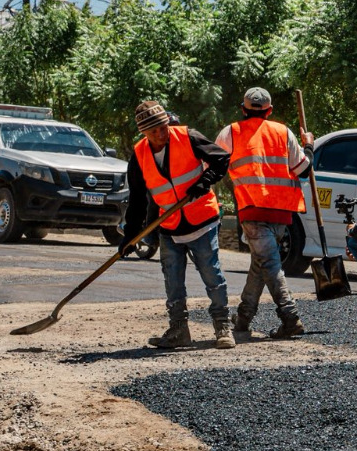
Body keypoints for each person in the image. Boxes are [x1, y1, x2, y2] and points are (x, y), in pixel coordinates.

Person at [122, 100, 233, 350]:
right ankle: (178, 330)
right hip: (170, 225)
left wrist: (203, 183)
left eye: (163, 127)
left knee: (212, 275)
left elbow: (221, 160)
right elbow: (138, 200)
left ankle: (222, 326)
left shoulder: (188, 136)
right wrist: (130, 236)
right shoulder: (139, 156)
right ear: (144, 133)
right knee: (173, 282)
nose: (162, 134)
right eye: (154, 131)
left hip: (201, 219)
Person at [215, 87, 314, 340]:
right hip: (281, 212)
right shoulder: (283, 132)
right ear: (269, 111)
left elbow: (213, 166)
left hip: (252, 207)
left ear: (243, 109)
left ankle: (290, 317)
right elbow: (303, 170)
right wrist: (309, 146)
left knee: (268, 263)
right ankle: (243, 318)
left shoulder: (231, 132)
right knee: (261, 264)